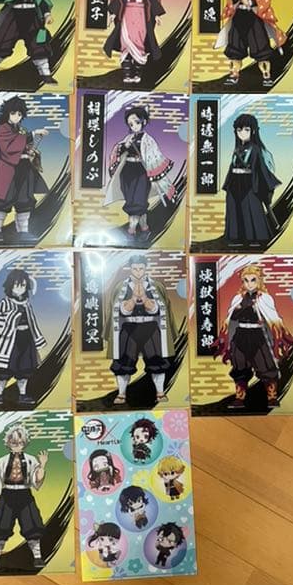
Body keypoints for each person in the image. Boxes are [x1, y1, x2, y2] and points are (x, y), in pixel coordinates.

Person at [213, 264, 293, 409]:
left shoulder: (265, 298)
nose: (249, 284)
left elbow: (273, 319)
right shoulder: (237, 298)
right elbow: (231, 319)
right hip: (240, 335)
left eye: (253, 280)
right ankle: (240, 398)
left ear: (259, 280)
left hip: (258, 335)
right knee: (240, 367)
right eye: (246, 280)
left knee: (266, 365)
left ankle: (271, 397)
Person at [104, 255, 177, 405]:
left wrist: (144, 297)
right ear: (130, 269)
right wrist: (132, 299)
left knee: (157, 361)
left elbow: (158, 309)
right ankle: (122, 393)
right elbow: (120, 310)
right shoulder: (121, 287)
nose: (138, 272)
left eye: (141, 268)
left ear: (146, 268)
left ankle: (160, 392)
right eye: (135, 268)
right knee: (123, 362)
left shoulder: (156, 286)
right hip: (128, 328)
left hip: (151, 328)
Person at [0, 95, 49, 243]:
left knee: (24, 200)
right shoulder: (1, 129)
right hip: (7, 171)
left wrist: (31, 151)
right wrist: (33, 134)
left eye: (19, 114)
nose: (16, 117)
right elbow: (9, 146)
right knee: (2, 200)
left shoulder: (22, 130)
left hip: (24, 169)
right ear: (7, 113)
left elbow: (25, 146)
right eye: (13, 113)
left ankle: (23, 232)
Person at [214, 0, 286, 87]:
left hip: (254, 18)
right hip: (239, 17)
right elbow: (231, 0)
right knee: (235, 47)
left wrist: (251, 1)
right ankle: (234, 74)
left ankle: (266, 75)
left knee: (260, 47)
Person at [0, 423, 48, 570]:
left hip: (25, 494)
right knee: (0, 525)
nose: (17, 445)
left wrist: (42, 465)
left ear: (24, 443)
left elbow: (37, 478)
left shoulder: (31, 459)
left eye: (20, 442)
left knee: (32, 525)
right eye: (13, 442)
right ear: (8, 443)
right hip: (7, 494)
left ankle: (38, 557)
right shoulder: (2, 460)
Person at [103, 106, 175, 236]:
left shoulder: (148, 140)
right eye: (131, 124)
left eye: (136, 122)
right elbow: (118, 151)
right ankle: (144, 227)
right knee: (131, 200)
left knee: (138, 201)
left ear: (144, 122)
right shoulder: (128, 138)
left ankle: (131, 229)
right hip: (127, 172)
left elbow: (155, 157)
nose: (134, 126)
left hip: (141, 173)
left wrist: (154, 176)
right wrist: (124, 146)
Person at [0, 269, 46, 406]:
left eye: (23, 285)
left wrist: (37, 339)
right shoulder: (5, 302)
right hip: (9, 341)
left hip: (26, 339)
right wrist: (12, 316)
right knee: (3, 369)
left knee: (25, 368)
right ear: (10, 285)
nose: (20, 288)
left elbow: (32, 322)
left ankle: (22, 394)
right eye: (16, 285)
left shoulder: (27, 303)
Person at [103, 0, 165, 84]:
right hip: (127, 14)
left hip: (142, 14)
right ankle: (126, 74)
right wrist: (113, 13)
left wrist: (156, 14)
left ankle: (137, 73)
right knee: (125, 41)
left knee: (139, 42)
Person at [223, 113, 280, 245]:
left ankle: (255, 238)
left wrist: (265, 187)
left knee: (250, 209)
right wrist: (228, 185)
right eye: (239, 130)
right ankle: (236, 238)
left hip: (250, 183)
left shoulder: (255, 149)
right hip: (235, 183)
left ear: (253, 131)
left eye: (246, 130)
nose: (242, 133)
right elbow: (232, 168)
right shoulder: (237, 149)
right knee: (234, 208)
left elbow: (261, 169)